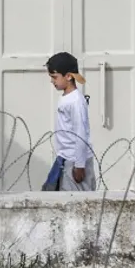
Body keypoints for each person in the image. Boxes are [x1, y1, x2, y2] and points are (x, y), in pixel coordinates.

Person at [44, 51, 95, 192]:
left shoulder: (76, 101)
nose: (52, 81)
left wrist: (79, 166)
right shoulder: (67, 98)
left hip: (75, 162)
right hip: (65, 159)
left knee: (75, 200)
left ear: (68, 76)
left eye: (54, 77)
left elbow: (81, 133)